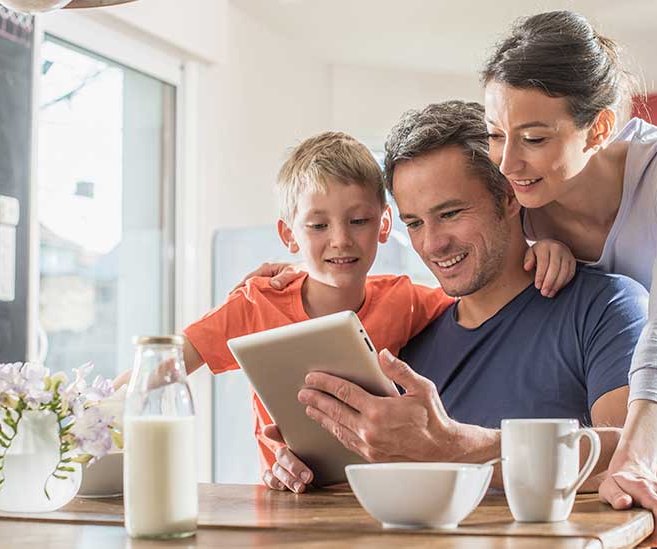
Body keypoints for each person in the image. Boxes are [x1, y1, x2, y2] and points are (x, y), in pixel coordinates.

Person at [113, 131, 571, 492]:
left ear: (384, 224)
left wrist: (537, 248)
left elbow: (485, 291)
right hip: (289, 495)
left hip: (381, 498)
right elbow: (165, 363)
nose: (341, 240)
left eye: (358, 221)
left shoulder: (406, 298)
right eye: (317, 226)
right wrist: (94, 411)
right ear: (289, 235)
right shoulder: (256, 304)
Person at [260, 101, 657, 497]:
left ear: (509, 196)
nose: (432, 244)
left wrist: (454, 445)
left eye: (451, 213)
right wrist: (306, 473)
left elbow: (642, 460)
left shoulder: (605, 307)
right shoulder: (410, 340)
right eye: (415, 223)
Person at [479, 10, 657, 548]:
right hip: (604, 378)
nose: (507, 162)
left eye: (533, 137)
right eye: (494, 134)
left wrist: (635, 453)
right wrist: (532, 248)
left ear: (599, 128)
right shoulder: (519, 194)